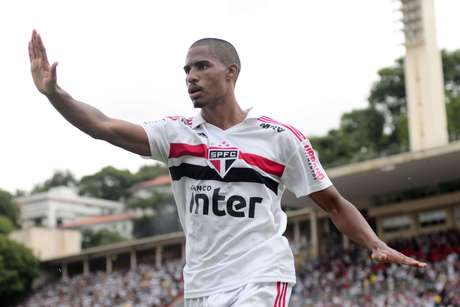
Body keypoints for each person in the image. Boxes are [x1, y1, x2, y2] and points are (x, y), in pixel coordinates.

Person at [28, 30, 426, 307]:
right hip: (201, 285)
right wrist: (55, 94)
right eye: (186, 70)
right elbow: (103, 127)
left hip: (262, 275)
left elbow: (335, 204)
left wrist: (376, 244)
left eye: (201, 66)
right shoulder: (175, 133)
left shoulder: (279, 137)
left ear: (231, 72)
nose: (191, 77)